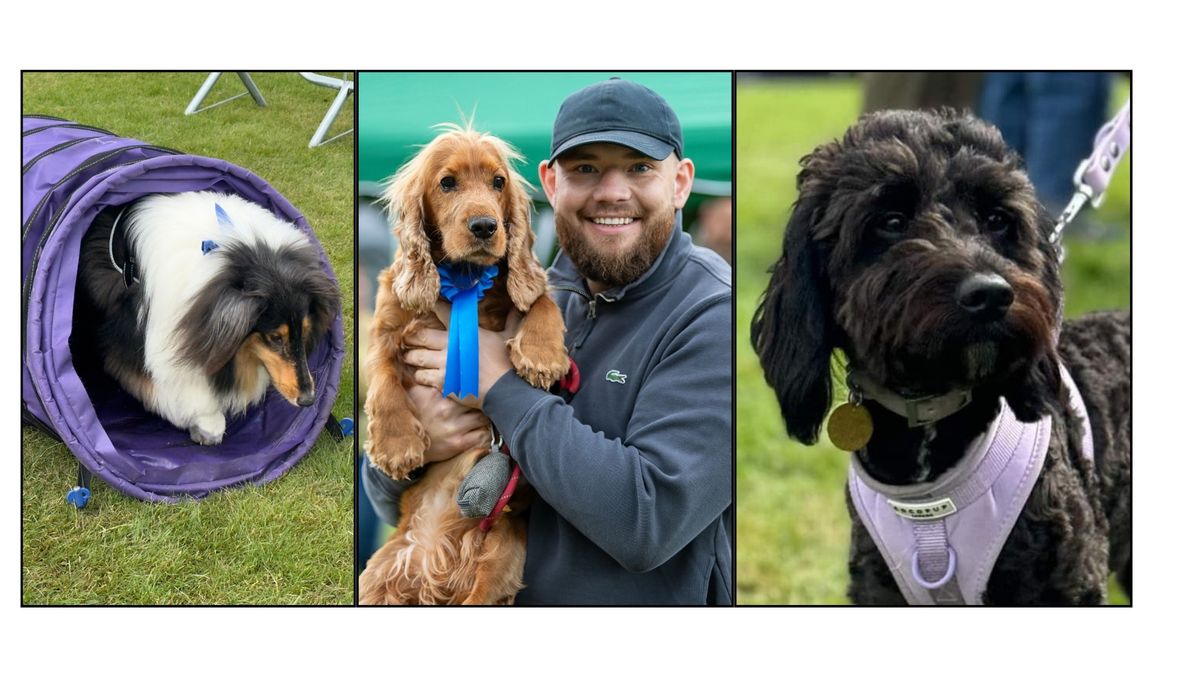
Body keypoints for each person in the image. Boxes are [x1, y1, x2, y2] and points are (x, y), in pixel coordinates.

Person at [362, 77, 732, 605]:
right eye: (585, 169)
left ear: (680, 182)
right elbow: (387, 493)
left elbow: (648, 523)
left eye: (639, 167)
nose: (611, 191)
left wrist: (499, 388)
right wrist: (424, 441)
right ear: (550, 183)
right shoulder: (529, 294)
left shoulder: (710, 313)